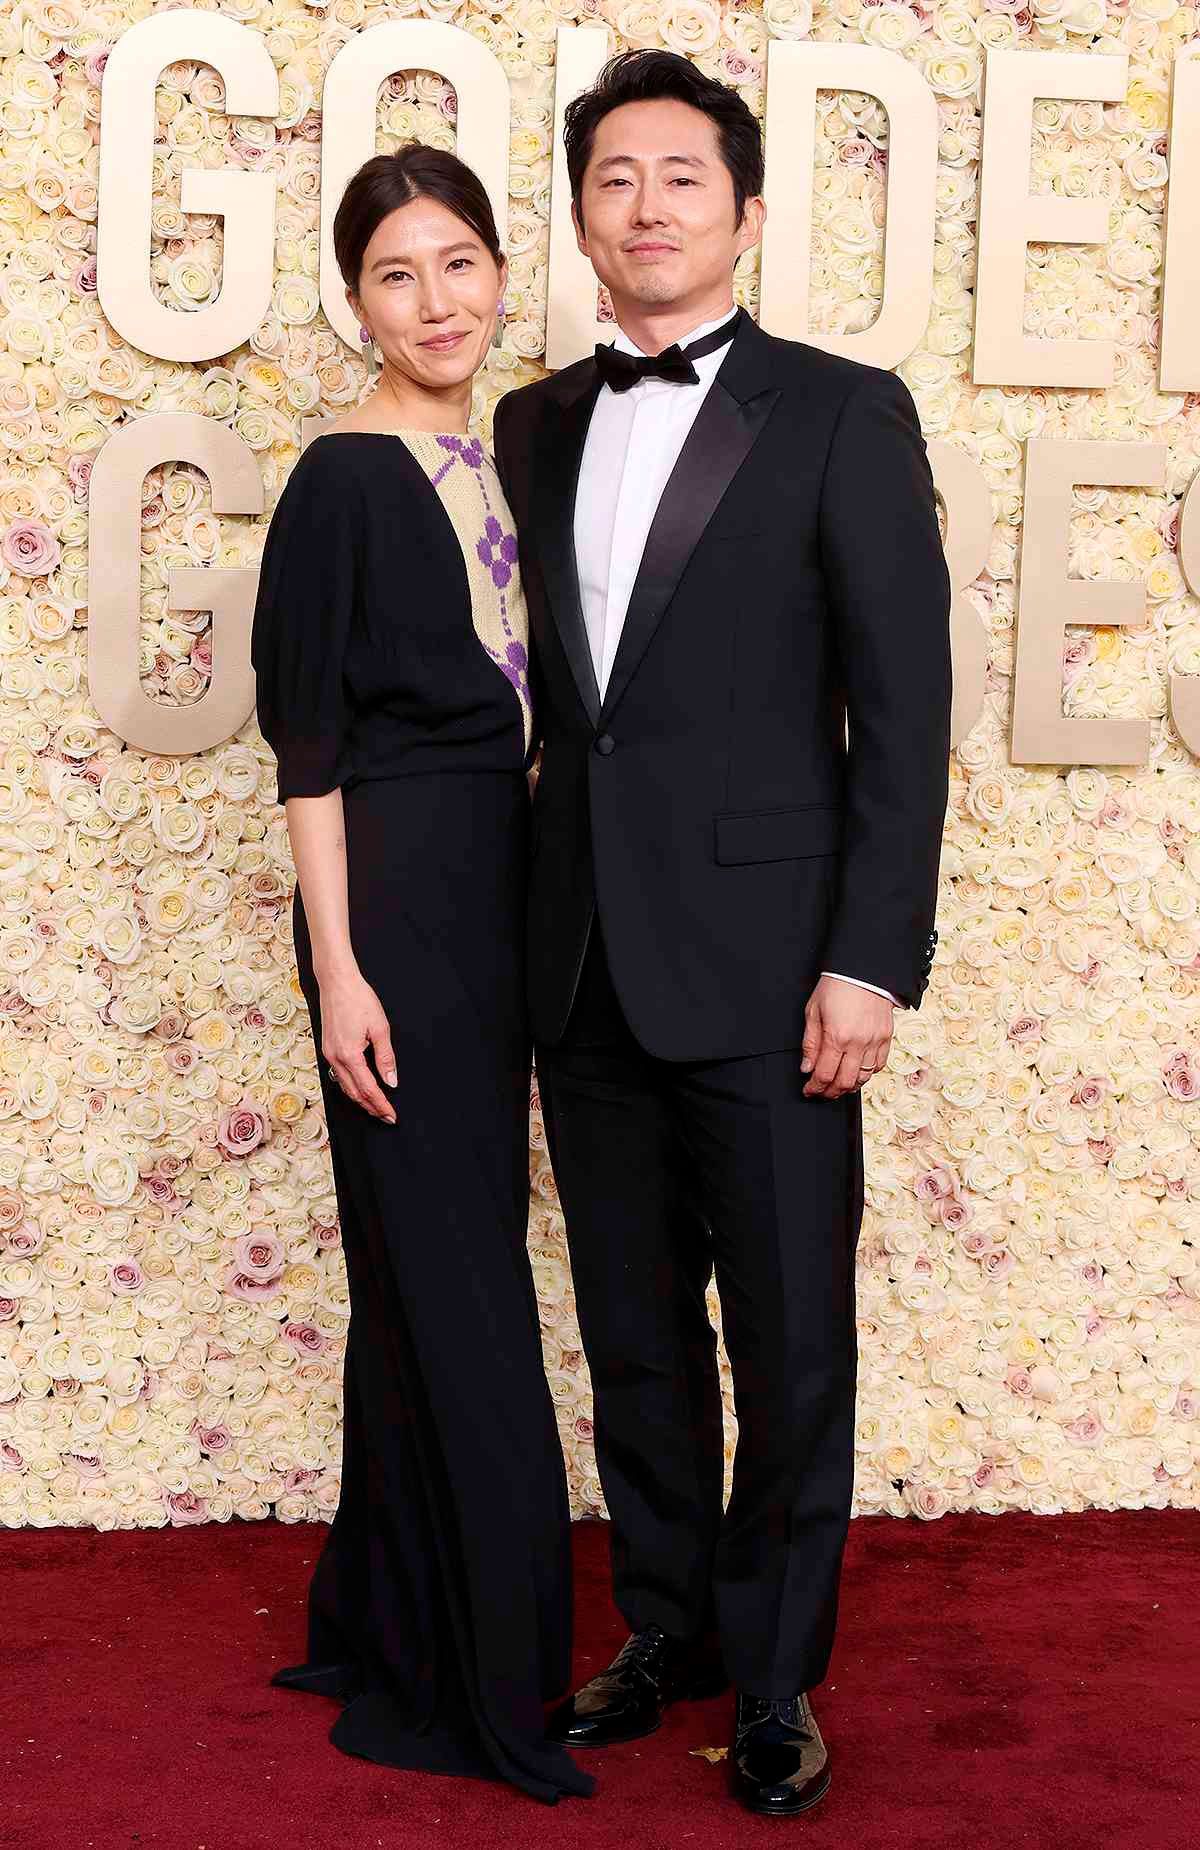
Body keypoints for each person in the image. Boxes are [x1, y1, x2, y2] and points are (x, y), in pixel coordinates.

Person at [491, 50, 952, 1818]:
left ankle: (777, 1677)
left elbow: (903, 711)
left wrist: (872, 955)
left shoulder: (842, 410)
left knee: (788, 1334)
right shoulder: (532, 424)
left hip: (776, 973)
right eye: (615, 177)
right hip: (579, 955)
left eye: (683, 175)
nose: (649, 205)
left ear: (743, 211)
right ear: (587, 216)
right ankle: (666, 1622)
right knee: (633, 1332)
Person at [249, 144, 593, 1807]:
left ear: (504, 274)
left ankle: (389, 1615)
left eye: (460, 262)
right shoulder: (338, 478)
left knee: (422, 1270)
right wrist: (340, 970)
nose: (436, 300)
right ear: (355, 297)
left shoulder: (526, 450)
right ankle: (490, 1684)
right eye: (397, 272)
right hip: (393, 902)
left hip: (511, 894)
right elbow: (306, 751)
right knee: (457, 1281)